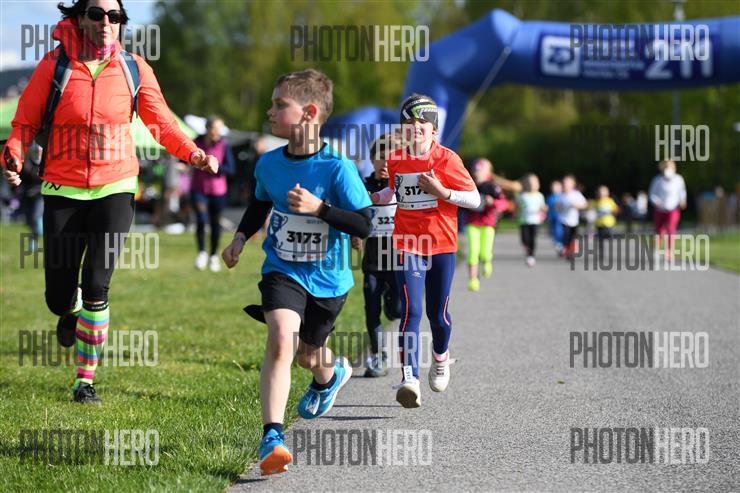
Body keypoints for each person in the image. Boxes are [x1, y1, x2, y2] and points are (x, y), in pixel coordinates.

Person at [2, 0, 218, 405]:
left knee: (97, 284)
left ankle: (84, 382)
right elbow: (25, 121)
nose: (106, 22)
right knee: (58, 297)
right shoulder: (54, 66)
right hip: (62, 188)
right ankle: (70, 309)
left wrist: (193, 153)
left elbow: (162, 122)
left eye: (114, 16)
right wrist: (13, 156)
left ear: (121, 23)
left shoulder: (134, 68)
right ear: (79, 19)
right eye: (97, 14)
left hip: (116, 185)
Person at [220, 69, 373, 475]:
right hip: (282, 269)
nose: (269, 111)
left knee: (308, 355)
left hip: (329, 279)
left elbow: (365, 224)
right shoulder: (269, 164)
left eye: (279, 105)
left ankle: (330, 375)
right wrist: (240, 237)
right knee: (280, 341)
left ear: (309, 113)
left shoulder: (337, 167)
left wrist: (320, 209)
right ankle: (272, 437)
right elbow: (259, 203)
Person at [370, 94, 480, 408]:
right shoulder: (395, 159)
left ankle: (441, 357)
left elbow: (474, 199)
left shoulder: (447, 159)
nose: (415, 127)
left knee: (438, 315)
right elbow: (393, 192)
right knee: (411, 310)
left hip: (442, 245)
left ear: (433, 129)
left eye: (422, 122)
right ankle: (410, 379)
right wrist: (375, 198)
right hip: (407, 244)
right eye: (409, 122)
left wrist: (442, 192)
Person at [351, 133, 403, 377]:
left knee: (397, 310)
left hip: (399, 261)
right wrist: (355, 234)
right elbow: (354, 216)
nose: (385, 163)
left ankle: (393, 309)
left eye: (391, 158)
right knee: (371, 309)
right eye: (380, 158)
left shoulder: (403, 187)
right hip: (372, 262)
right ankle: (379, 356)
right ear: (372, 159)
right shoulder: (362, 187)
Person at [191, 116, 236, 272]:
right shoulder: (196, 143)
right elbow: (186, 159)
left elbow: (231, 169)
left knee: (215, 223)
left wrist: (214, 166)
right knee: (201, 219)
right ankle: (201, 253)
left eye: (219, 129)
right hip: (199, 189)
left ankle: (213, 255)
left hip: (218, 191)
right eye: (214, 128)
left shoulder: (225, 145)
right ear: (207, 129)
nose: (217, 132)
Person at [463, 158, 507, 291]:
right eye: (476, 170)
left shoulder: (492, 187)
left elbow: (504, 204)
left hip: (488, 224)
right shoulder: (468, 185)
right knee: (473, 252)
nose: (478, 173)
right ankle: (473, 280)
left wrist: (493, 202)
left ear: (488, 173)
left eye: (481, 170)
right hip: (471, 223)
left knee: (485, 252)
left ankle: (487, 261)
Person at [648, 160, 686, 258]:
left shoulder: (678, 179)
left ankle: (669, 251)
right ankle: (656, 249)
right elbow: (652, 194)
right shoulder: (657, 180)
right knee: (659, 231)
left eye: (670, 166)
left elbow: (682, 192)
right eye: (666, 166)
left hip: (673, 209)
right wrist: (656, 202)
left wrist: (683, 200)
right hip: (660, 209)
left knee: (671, 229)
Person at [516, 174, 547, 267]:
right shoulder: (522, 196)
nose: (532, 185)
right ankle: (527, 248)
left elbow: (542, 207)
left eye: (534, 183)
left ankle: (531, 256)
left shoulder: (539, 196)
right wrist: (515, 213)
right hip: (524, 221)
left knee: (532, 239)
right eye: (530, 183)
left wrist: (544, 209)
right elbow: (517, 206)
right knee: (524, 239)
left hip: (535, 221)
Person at [19, 143, 44, 252]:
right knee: (29, 220)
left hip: (40, 196)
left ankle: (36, 240)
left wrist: (37, 190)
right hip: (28, 196)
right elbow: (22, 180)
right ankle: (33, 241)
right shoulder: (27, 164)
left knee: (36, 217)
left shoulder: (45, 164)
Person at [558, 175, 588, 259]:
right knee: (565, 236)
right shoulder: (561, 195)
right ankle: (565, 248)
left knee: (572, 237)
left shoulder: (576, 194)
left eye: (568, 183)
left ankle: (570, 251)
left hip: (574, 221)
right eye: (564, 183)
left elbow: (585, 204)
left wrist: (576, 206)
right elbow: (557, 207)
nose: (566, 185)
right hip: (563, 220)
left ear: (573, 184)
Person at [547, 180, 564, 253]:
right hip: (552, 217)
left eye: (557, 187)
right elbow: (548, 207)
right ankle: (557, 243)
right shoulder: (550, 197)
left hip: (561, 218)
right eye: (554, 187)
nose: (556, 188)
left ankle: (561, 243)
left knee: (560, 230)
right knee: (554, 231)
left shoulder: (563, 196)